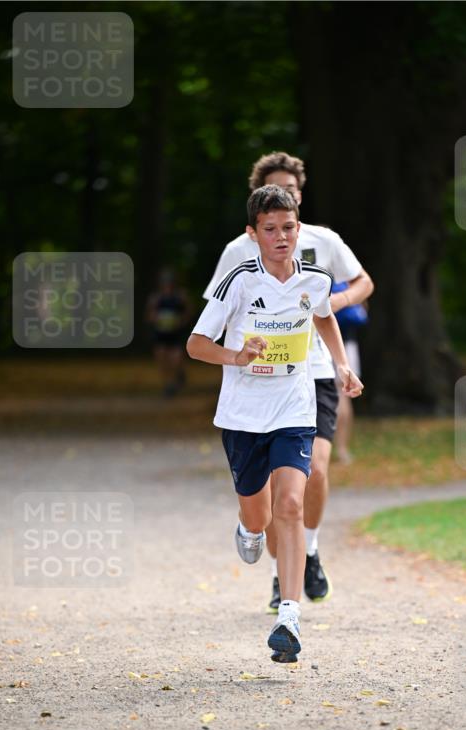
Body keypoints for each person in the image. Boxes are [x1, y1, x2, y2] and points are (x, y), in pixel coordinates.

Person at [187, 185, 363, 662]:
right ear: (253, 234)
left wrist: (341, 365)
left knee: (290, 505)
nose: (281, 237)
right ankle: (247, 531)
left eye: (288, 227)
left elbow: (324, 317)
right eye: (270, 229)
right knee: (258, 516)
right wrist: (236, 355)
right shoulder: (239, 282)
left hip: (294, 408)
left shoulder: (315, 280)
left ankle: (289, 615)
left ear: (298, 228)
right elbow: (196, 343)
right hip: (244, 414)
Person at [331, 280, 368, 464]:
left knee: (336, 395)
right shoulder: (349, 281)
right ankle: (342, 449)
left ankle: (327, 447)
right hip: (349, 344)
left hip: (327, 346)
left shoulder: (319, 277)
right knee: (343, 395)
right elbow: (363, 308)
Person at [145, 269, 192, 397]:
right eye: (165, 282)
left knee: (175, 360)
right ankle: (168, 384)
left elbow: (188, 312)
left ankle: (176, 377)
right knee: (162, 359)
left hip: (176, 334)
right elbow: (149, 315)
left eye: (170, 281)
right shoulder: (156, 298)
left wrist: (181, 321)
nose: (167, 284)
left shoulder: (181, 296)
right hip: (161, 334)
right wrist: (155, 318)